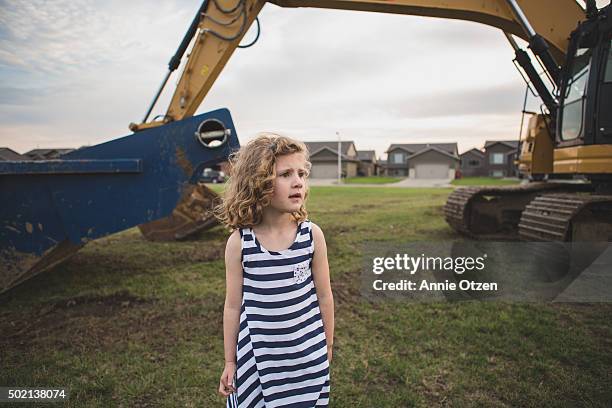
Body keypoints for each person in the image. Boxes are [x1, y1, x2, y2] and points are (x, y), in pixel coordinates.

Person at [216, 133, 334, 407]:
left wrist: (326, 346)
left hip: (306, 360)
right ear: (258, 182)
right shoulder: (240, 243)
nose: (298, 182)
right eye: (285, 174)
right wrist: (230, 361)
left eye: (302, 173)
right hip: (256, 361)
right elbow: (232, 307)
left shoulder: (312, 236)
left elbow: (325, 297)